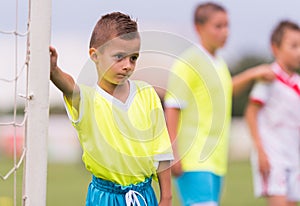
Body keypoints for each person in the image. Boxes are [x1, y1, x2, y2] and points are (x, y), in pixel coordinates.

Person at [49, 12, 173, 206]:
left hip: (143, 196)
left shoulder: (147, 94)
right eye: (119, 57)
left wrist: (166, 198)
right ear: (95, 55)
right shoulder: (87, 99)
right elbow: (69, 85)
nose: (127, 65)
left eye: (133, 58)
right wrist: (53, 70)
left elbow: (162, 152)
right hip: (104, 198)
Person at [164, 2, 275, 206]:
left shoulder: (219, 63)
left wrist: (253, 74)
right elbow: (172, 106)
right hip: (194, 157)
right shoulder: (188, 62)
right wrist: (173, 153)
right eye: (218, 26)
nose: (225, 32)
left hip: (216, 159)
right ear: (199, 28)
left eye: (227, 26)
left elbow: (226, 91)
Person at [245, 20, 300, 206]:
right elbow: (250, 113)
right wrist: (260, 151)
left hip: (294, 156)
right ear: (275, 48)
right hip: (273, 156)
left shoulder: (297, 81)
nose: (298, 51)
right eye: (293, 46)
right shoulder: (268, 77)